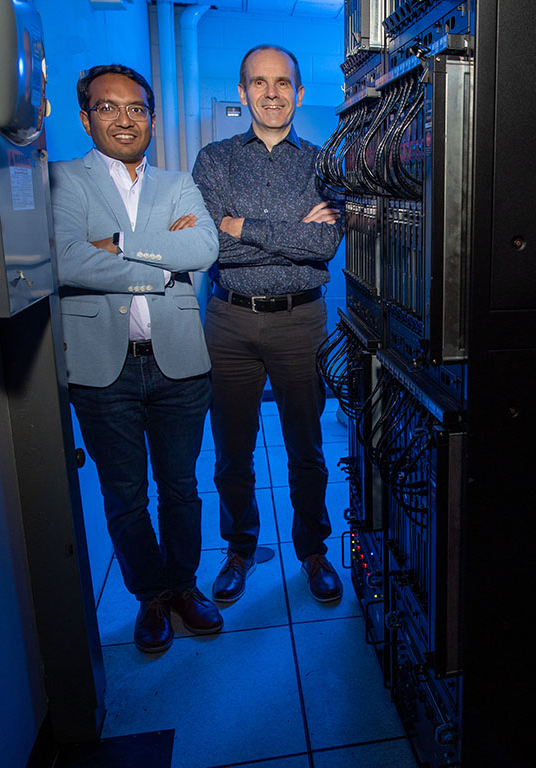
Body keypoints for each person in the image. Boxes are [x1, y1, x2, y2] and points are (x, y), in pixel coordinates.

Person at [51, 64, 222, 653]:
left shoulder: (178, 184)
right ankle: (149, 595)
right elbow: (67, 261)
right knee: (125, 495)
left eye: (136, 108)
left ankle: (182, 587)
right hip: (102, 369)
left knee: (180, 488)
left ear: (152, 116)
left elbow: (202, 249)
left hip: (178, 363)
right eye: (108, 107)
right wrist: (161, 266)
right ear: (86, 117)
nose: (124, 118)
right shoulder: (61, 181)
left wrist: (120, 245)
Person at [192, 45, 344, 604]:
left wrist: (240, 224)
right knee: (232, 448)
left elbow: (324, 242)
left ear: (299, 93)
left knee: (306, 446)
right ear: (243, 92)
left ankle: (314, 550)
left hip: (300, 320)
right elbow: (209, 245)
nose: (272, 92)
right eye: (260, 82)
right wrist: (285, 233)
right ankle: (239, 547)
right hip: (228, 321)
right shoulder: (214, 159)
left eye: (283, 82)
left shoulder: (325, 163)